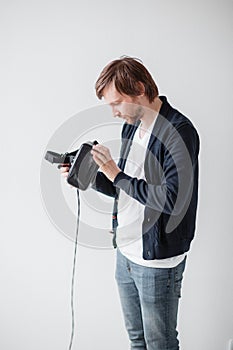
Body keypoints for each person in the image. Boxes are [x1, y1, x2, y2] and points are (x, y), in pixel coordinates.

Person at [60, 56, 199, 350]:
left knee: (159, 343)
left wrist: (115, 172)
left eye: (117, 102)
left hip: (156, 260)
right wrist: (89, 177)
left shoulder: (179, 131)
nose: (114, 112)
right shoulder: (131, 126)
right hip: (125, 254)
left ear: (139, 88)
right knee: (137, 340)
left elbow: (172, 199)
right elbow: (127, 190)